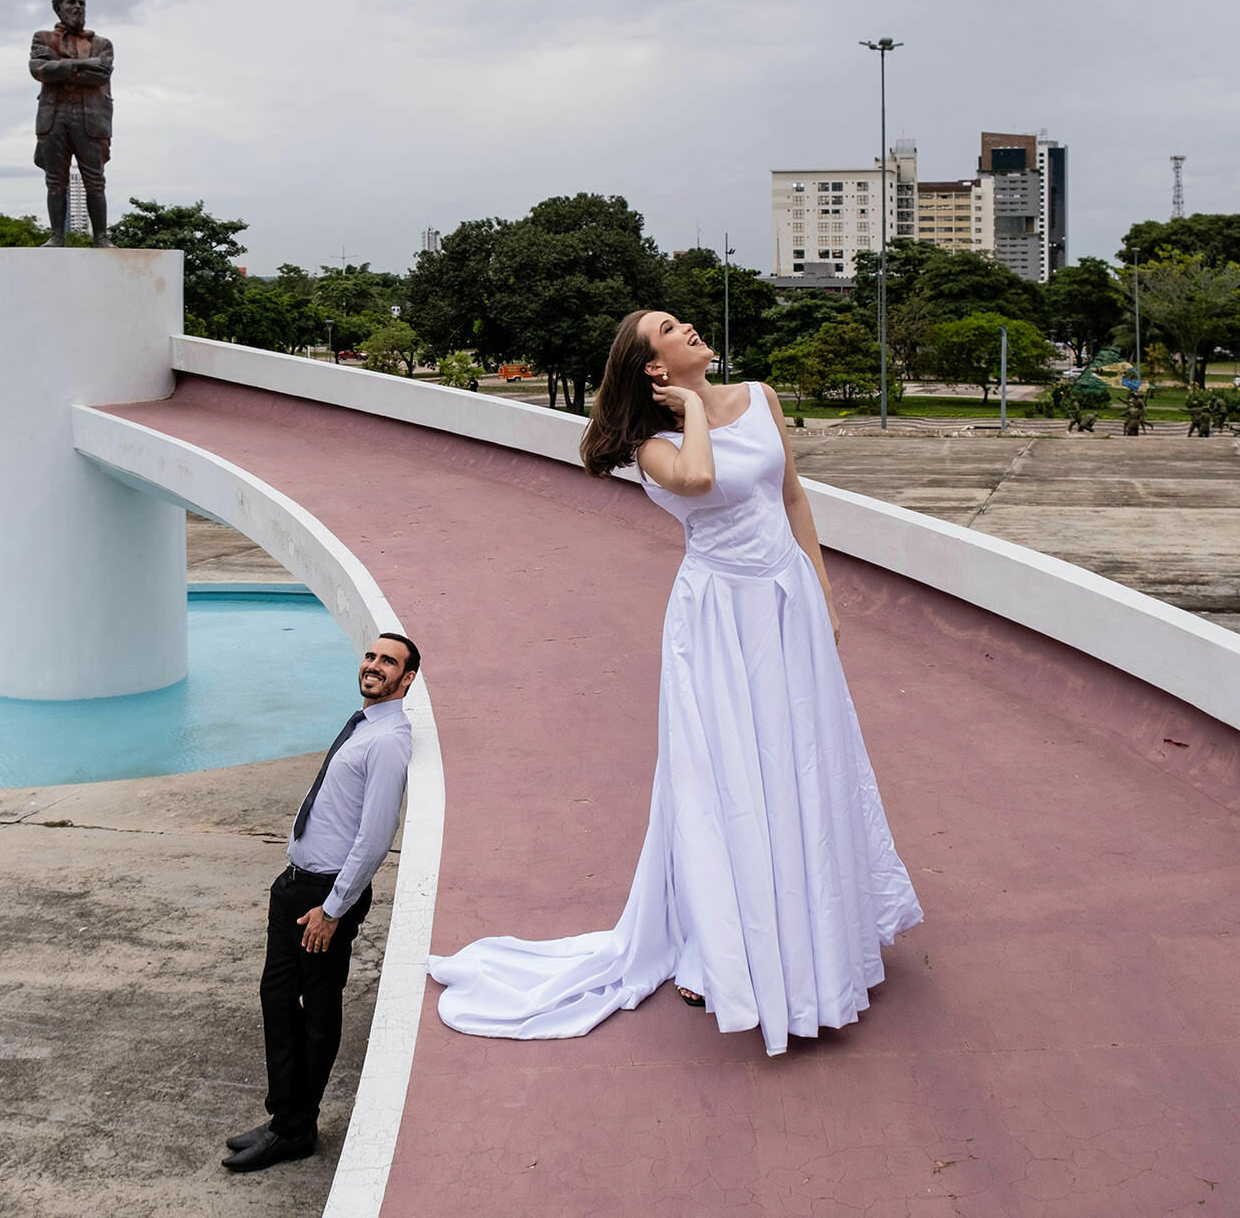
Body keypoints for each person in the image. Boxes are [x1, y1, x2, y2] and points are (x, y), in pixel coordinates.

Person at [427, 309, 922, 1057]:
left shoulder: (761, 396)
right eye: (669, 327)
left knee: (806, 761)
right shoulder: (654, 448)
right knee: (728, 781)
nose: (689, 325)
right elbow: (700, 478)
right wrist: (692, 407)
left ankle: (821, 936)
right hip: (718, 621)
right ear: (654, 368)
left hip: (786, 602)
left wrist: (822, 594)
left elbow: (792, 497)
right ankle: (723, 950)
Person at [224, 634, 418, 1172]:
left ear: (407, 679)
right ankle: (285, 1117)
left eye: (389, 662)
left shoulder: (388, 741)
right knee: (277, 1000)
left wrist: (333, 910)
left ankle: (295, 1130)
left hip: (325, 897)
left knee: (317, 1010)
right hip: (295, 885)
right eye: (371, 656)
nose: (374, 665)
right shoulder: (363, 726)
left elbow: (375, 837)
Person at [28, 0, 114, 247]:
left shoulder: (102, 44)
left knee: (95, 181)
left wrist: (58, 65)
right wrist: (84, 64)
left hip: (90, 119)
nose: (77, 7)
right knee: (55, 181)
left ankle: (100, 237)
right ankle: (57, 236)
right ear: (58, 9)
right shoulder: (42, 38)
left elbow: (100, 75)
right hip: (54, 117)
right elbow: (39, 70)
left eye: (81, 3)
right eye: (71, 3)